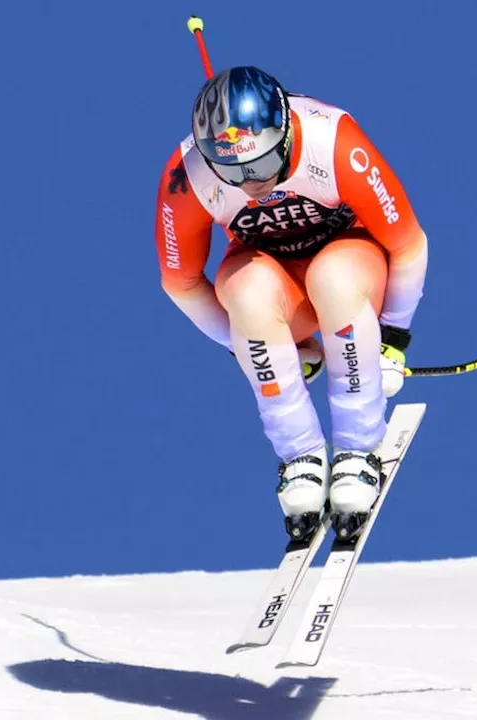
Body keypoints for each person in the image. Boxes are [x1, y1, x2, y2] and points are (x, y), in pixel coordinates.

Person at [154, 66, 428, 541]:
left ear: (283, 136)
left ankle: (357, 447)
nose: (252, 184)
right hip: (279, 285)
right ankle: (299, 454)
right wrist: (252, 344)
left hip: (352, 265)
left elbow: (408, 244)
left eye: (260, 166)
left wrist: (391, 339)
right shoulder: (189, 177)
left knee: (333, 277)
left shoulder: (332, 141)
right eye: (233, 173)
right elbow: (180, 283)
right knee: (244, 290)